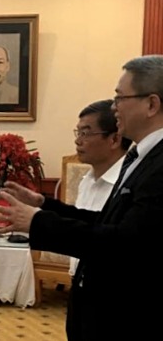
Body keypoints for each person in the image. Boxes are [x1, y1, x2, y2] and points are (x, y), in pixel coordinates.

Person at [0, 54, 163, 340]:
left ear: (152, 104)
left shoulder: (159, 165)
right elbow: (106, 222)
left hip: (128, 315)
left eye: (120, 98)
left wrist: (38, 222)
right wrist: (44, 205)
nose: (114, 107)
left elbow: (125, 244)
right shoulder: (140, 157)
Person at [68, 99, 131, 276]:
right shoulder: (86, 181)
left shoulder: (128, 185)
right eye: (78, 133)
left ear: (115, 139)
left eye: (86, 134)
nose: (78, 141)